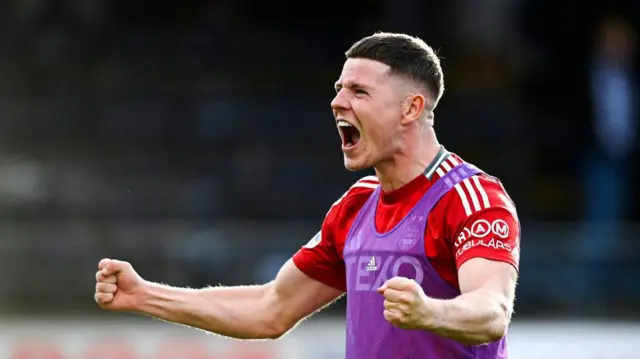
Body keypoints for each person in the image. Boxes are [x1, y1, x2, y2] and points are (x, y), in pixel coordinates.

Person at [95, 32, 520, 358]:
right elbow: (270, 307)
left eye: (358, 91)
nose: (337, 102)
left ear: (410, 108)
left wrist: (431, 312)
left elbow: (491, 311)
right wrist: (145, 294)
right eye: (339, 88)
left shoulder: (469, 197)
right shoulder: (357, 205)